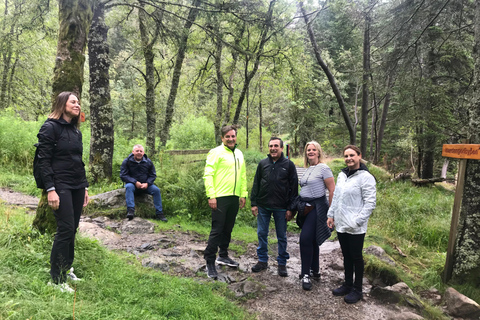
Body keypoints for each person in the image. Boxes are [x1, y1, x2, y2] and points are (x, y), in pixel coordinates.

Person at [37, 92, 89, 292]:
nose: (77, 105)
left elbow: (79, 160)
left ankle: (67, 269)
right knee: (65, 228)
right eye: (73, 102)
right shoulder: (50, 127)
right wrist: (50, 189)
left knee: (72, 228)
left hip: (76, 185)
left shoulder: (76, 131)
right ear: (62, 104)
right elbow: (44, 161)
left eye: (78, 102)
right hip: (60, 185)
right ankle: (56, 279)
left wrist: (84, 187)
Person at [327, 145, 376, 304]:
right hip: (341, 223)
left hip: (355, 226)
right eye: (346, 156)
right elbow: (336, 197)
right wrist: (331, 215)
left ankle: (358, 289)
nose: (349, 158)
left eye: (352, 155)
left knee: (356, 257)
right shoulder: (342, 175)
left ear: (359, 156)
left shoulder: (366, 177)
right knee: (346, 255)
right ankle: (347, 284)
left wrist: (357, 221)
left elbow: (370, 203)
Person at [203, 125, 248, 279]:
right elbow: (208, 174)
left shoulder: (239, 154)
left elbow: (242, 175)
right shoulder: (216, 152)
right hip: (219, 197)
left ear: (236, 137)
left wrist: (243, 194)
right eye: (227, 136)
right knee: (217, 229)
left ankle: (223, 255)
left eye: (233, 136)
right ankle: (209, 261)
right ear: (222, 138)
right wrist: (211, 196)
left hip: (234, 197)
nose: (230, 139)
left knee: (228, 228)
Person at [250, 137, 298, 277]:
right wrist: (254, 203)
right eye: (271, 146)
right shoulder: (263, 163)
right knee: (261, 233)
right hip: (263, 205)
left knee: (281, 236)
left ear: (282, 148)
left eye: (276, 146)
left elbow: (294, 189)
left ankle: (282, 263)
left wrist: (291, 208)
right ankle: (262, 260)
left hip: (282, 207)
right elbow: (256, 184)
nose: (273, 148)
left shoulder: (289, 165)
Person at [297, 141, 335, 291]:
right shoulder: (307, 169)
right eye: (308, 150)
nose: (310, 152)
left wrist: (331, 212)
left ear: (318, 152)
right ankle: (315, 270)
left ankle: (305, 274)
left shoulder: (324, 168)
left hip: (318, 208)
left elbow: (332, 190)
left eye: (313, 150)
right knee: (312, 239)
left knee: (305, 238)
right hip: (305, 208)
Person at [120, 144, 167, 222]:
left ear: (143, 152)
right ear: (133, 152)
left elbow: (153, 175)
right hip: (132, 184)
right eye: (137, 151)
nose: (139, 153)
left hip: (146, 185)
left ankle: (159, 213)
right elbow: (123, 175)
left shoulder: (148, 162)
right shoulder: (127, 161)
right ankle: (131, 210)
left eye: (141, 151)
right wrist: (135, 182)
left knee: (156, 190)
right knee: (128, 187)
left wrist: (147, 183)